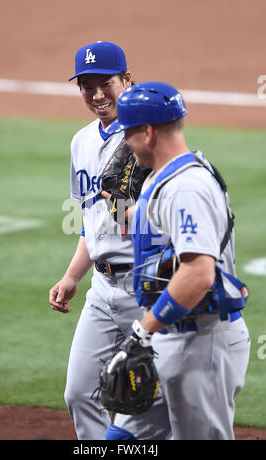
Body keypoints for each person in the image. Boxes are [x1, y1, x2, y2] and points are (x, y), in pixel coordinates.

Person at [105, 81, 251, 440]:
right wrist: (112, 202)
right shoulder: (163, 177)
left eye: (128, 132)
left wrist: (142, 330)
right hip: (171, 338)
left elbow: (198, 274)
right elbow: (145, 220)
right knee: (122, 440)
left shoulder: (187, 187)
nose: (124, 142)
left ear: (149, 132)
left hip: (202, 342)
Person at [49, 43, 169, 440]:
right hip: (101, 289)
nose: (97, 94)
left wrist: (122, 209)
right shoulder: (81, 141)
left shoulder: (148, 138)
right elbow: (92, 221)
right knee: (79, 393)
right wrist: (71, 277)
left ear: (127, 81)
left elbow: (160, 224)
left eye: (106, 84)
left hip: (145, 287)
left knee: (158, 402)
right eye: (87, 86)